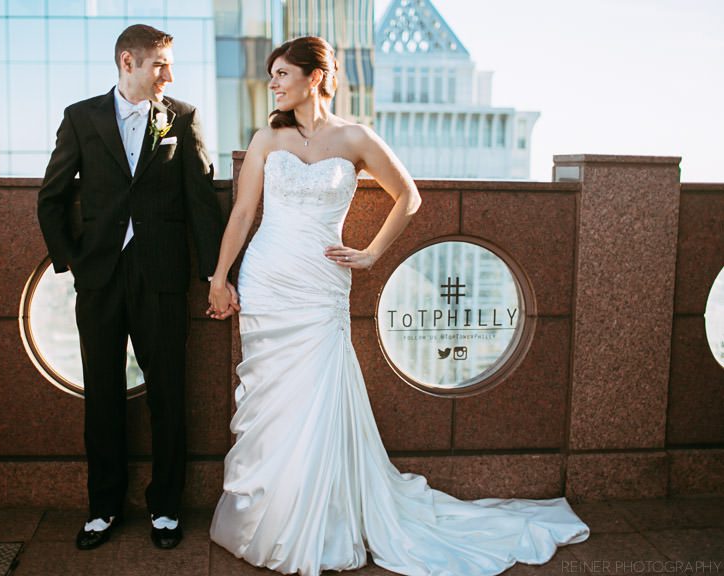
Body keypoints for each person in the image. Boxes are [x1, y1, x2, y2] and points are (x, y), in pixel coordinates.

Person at [205, 36, 589, 575]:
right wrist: (220, 276)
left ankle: (318, 520)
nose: (273, 83)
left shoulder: (356, 137)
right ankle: (272, 515)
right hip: (269, 279)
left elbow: (408, 195)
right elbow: (243, 213)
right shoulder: (267, 137)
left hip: (320, 285)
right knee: (273, 401)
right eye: (272, 75)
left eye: (282, 73)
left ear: (314, 77)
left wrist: (370, 254)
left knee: (317, 396)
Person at [38, 24, 237, 551]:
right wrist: (73, 264)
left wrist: (216, 278)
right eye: (160, 65)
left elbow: (201, 202)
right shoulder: (81, 118)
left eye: (169, 66)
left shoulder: (184, 117)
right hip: (100, 279)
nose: (167, 76)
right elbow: (51, 197)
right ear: (129, 62)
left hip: (162, 278)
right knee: (101, 395)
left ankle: (167, 509)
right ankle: (103, 509)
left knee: (169, 395)